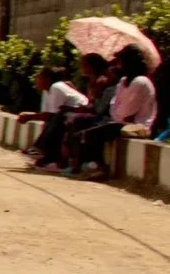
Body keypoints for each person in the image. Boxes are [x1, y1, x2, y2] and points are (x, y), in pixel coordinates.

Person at [66, 46, 155, 177]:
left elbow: (126, 110)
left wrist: (120, 112)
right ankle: (81, 165)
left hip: (138, 126)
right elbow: (115, 107)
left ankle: (99, 167)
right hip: (120, 121)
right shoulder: (123, 82)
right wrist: (120, 113)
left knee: (92, 134)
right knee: (82, 126)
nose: (118, 65)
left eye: (121, 61)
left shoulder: (141, 82)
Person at [19, 64, 89, 168]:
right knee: (55, 121)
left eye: (39, 77)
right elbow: (47, 116)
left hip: (80, 114)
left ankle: (44, 151)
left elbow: (54, 114)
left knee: (58, 119)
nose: (37, 80)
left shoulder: (56, 87)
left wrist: (29, 117)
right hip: (67, 115)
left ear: (47, 79)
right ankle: (43, 151)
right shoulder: (47, 91)